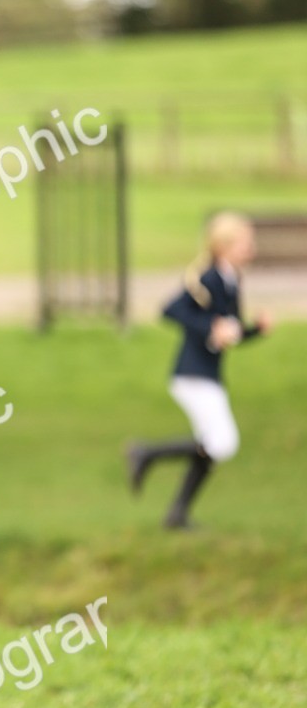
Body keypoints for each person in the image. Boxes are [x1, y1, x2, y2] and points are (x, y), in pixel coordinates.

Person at [128, 213, 272, 530]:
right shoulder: (209, 278)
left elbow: (228, 334)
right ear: (224, 246)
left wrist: (254, 331)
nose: (252, 249)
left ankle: (176, 514)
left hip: (208, 375)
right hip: (192, 375)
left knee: (213, 445)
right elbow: (171, 310)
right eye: (246, 243)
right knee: (222, 443)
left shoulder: (231, 280)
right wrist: (211, 326)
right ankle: (145, 453)